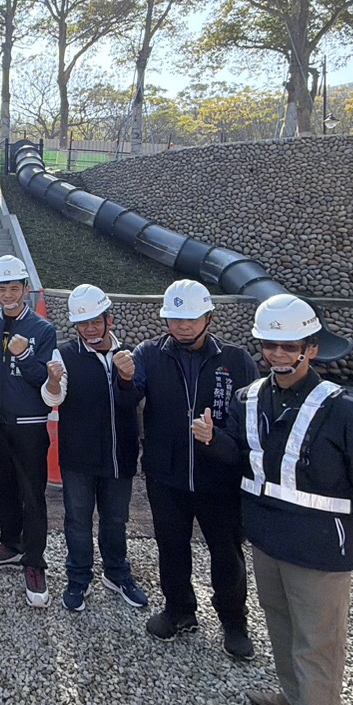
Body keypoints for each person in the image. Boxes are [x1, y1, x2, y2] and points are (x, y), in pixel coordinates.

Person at [206, 295, 353, 705]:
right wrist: (212, 439)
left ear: (311, 348)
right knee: (281, 625)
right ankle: (296, 700)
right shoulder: (250, 398)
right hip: (268, 537)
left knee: (318, 645)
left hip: (317, 548)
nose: (278, 354)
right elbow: (242, 457)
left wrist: (329, 524)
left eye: (289, 346)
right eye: (270, 345)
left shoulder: (344, 412)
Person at [121, 278, 259, 659]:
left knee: (226, 551)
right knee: (171, 546)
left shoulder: (236, 361)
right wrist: (125, 379)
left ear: (209, 318)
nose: (182, 326)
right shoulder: (149, 354)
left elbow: (249, 423)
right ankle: (179, 610)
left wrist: (221, 442)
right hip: (166, 474)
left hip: (220, 477)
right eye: (175, 319)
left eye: (191, 319)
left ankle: (234, 622)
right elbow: (129, 399)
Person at [41, 284, 148, 613]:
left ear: (108, 319)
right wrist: (53, 381)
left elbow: (134, 400)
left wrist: (126, 378)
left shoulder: (128, 355)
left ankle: (117, 573)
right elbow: (54, 397)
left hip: (119, 456)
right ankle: (78, 578)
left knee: (115, 520)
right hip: (78, 458)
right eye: (83, 323)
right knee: (77, 521)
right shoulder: (64, 355)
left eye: (95, 321)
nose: (89, 329)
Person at [0, 254, 57, 607]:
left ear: (25, 289)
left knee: (33, 496)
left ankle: (34, 561)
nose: (8, 294)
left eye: (14, 287)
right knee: (5, 491)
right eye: (1, 288)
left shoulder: (43, 330)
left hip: (30, 426)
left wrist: (24, 357)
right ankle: (11, 544)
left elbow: (46, 382)